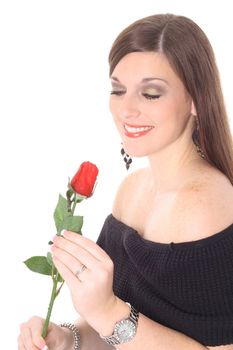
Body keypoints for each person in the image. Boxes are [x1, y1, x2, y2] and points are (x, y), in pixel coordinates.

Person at [18, 13, 233, 350]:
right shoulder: (131, 190)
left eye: (150, 94)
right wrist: (68, 339)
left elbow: (113, 318)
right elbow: (110, 332)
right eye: (118, 90)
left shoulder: (206, 206)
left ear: (195, 101)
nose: (126, 110)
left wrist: (107, 312)